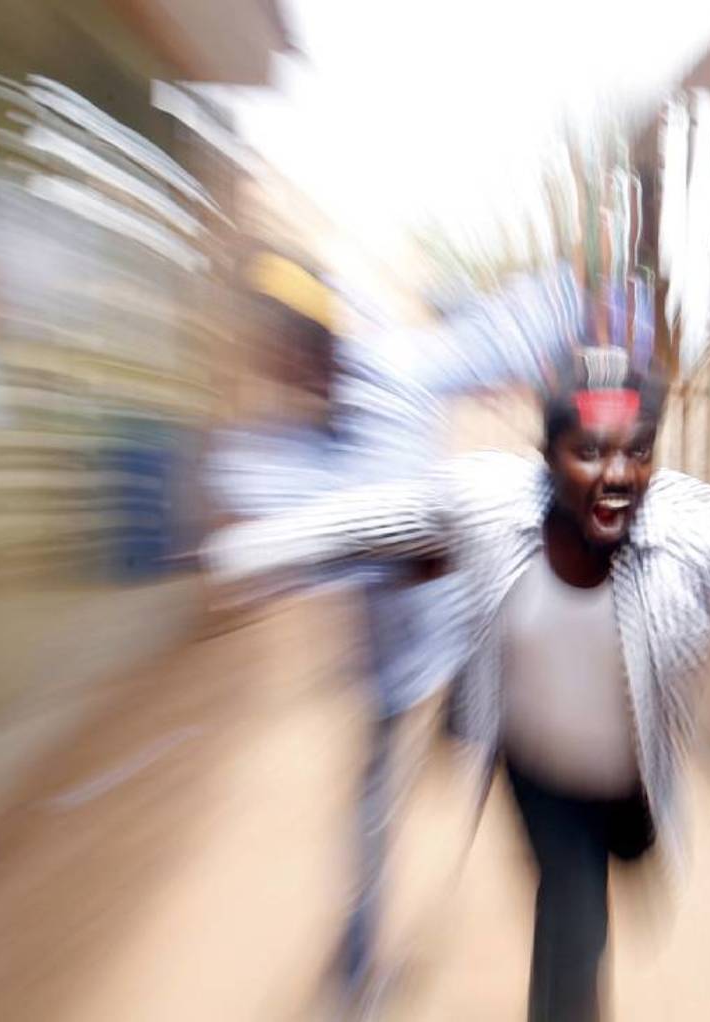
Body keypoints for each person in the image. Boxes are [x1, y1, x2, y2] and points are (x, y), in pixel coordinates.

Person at [205, 344, 710, 1022]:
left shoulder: (690, 529)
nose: (618, 474)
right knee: (574, 916)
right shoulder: (490, 502)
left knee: (614, 877)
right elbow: (368, 522)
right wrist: (246, 553)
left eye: (638, 451)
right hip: (536, 770)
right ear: (547, 458)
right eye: (590, 452)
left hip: (630, 782)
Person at [208, 252, 585, 1015]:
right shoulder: (275, 453)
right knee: (371, 807)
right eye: (279, 347)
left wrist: (575, 301)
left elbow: (506, 333)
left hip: (470, 641)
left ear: (329, 336)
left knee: (526, 780)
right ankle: (357, 971)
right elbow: (265, 548)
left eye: (306, 339)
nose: (297, 361)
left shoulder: (399, 368)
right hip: (387, 664)